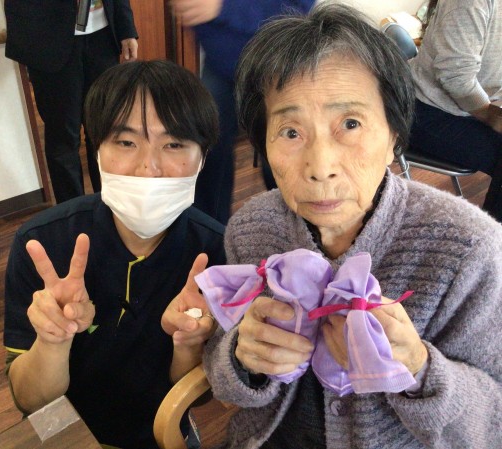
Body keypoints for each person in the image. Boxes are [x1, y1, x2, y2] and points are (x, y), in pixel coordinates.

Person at [201, 4, 502, 448]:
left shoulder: (470, 249)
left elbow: (492, 424)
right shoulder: (251, 228)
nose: (320, 166)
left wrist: (417, 367)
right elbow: (225, 371)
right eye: (290, 132)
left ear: (394, 136)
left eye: (350, 123)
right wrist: (242, 358)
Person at [3, 60, 225, 449]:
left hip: (163, 432)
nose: (148, 168)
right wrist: (54, 339)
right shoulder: (43, 244)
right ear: (97, 149)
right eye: (125, 142)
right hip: (67, 433)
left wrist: (189, 343)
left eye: (174, 144)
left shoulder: (217, 252)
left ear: (202, 157)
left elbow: (198, 396)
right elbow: (31, 402)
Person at [170, 0, 315, 225]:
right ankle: (211, 234)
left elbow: (298, 8)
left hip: (276, 64)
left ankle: (302, 230)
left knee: (282, 157)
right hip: (220, 63)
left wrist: (224, 7)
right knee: (207, 153)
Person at [4, 0, 138, 203]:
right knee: (63, 137)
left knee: (105, 131)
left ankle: (112, 206)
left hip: (102, 36)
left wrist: (126, 29)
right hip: (48, 39)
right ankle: (72, 212)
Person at [409, 0, 502, 221]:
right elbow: (455, 76)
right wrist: (490, 115)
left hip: (471, 106)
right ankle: (491, 237)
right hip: (425, 109)